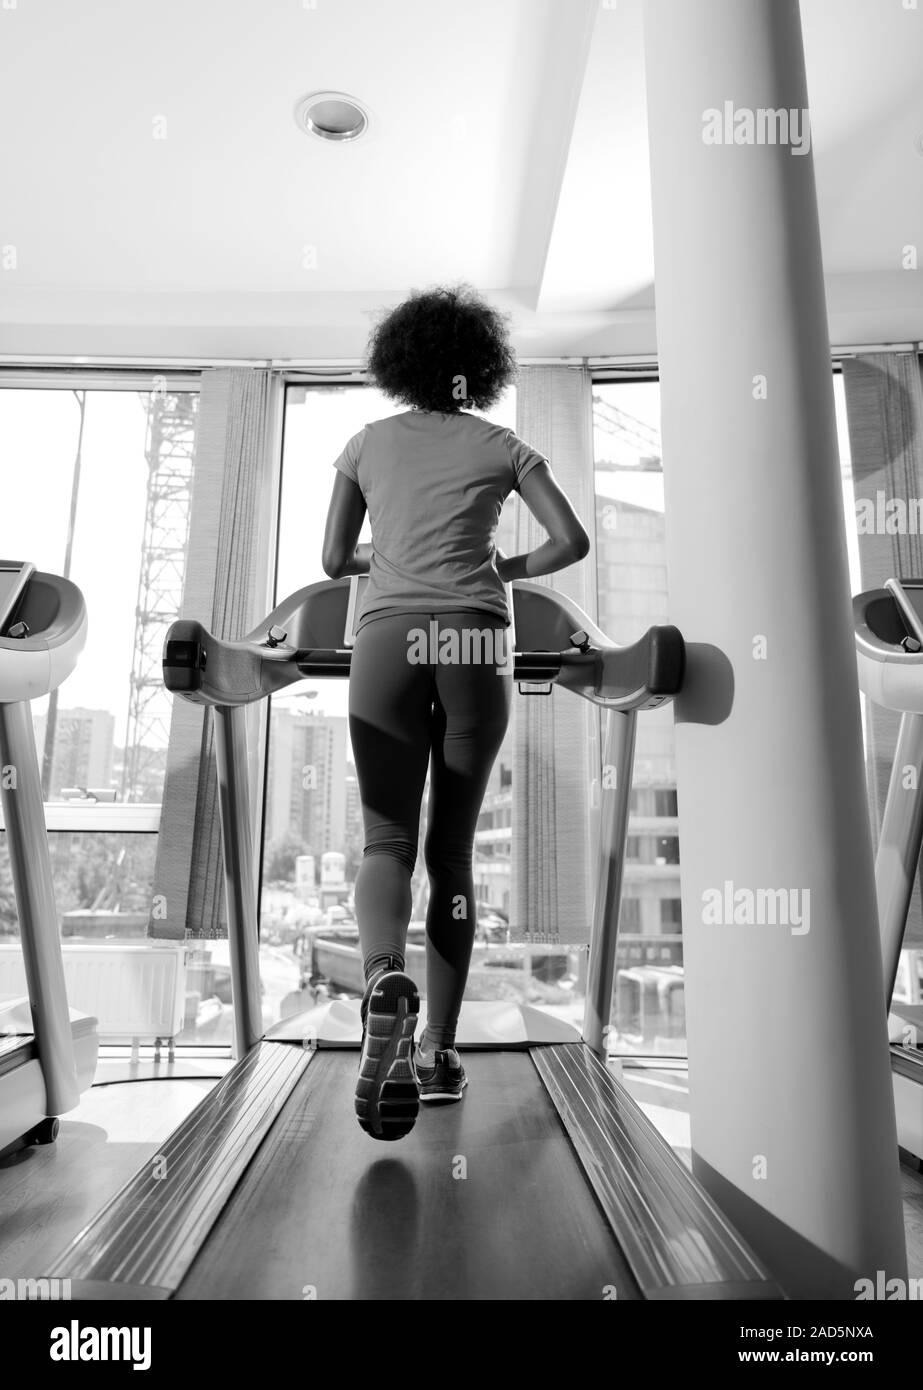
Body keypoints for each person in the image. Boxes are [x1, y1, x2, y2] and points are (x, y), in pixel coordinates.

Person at [322, 284, 590, 1141]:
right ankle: (437, 1050)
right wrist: (498, 569)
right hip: (476, 641)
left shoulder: (366, 444)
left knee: (385, 840)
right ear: (477, 372)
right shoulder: (500, 443)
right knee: (451, 850)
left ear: (397, 366)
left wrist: (392, 555)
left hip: (386, 642)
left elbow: (333, 559)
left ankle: (378, 982)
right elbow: (570, 543)